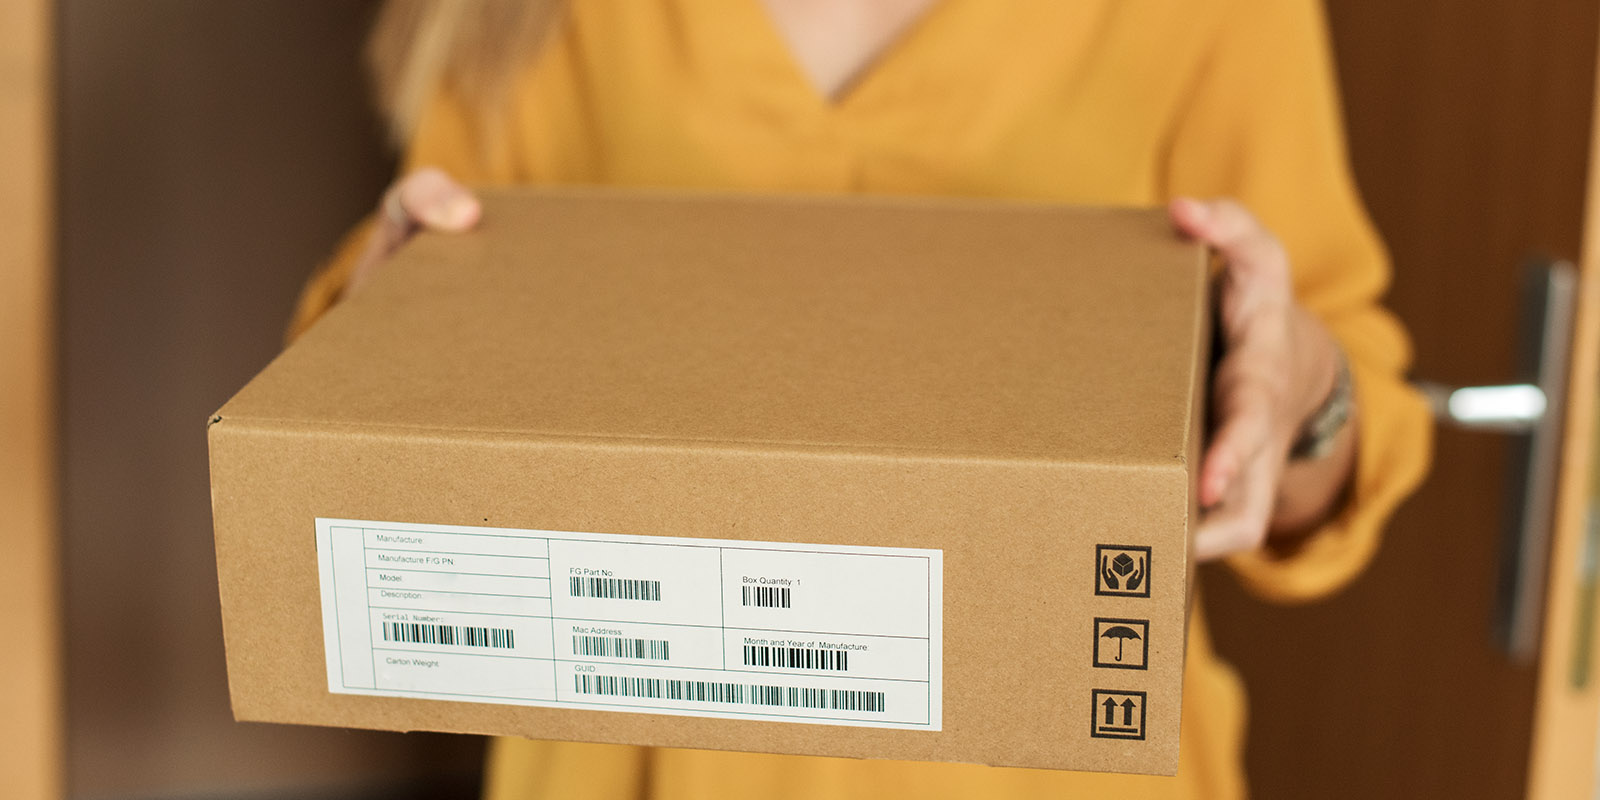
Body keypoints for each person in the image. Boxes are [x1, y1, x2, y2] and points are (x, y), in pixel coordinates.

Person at [290, 1, 1433, 796]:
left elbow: (1334, 438)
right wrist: (393, 328)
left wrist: (1301, 392)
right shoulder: (529, 16)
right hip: (629, 757)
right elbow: (381, 379)